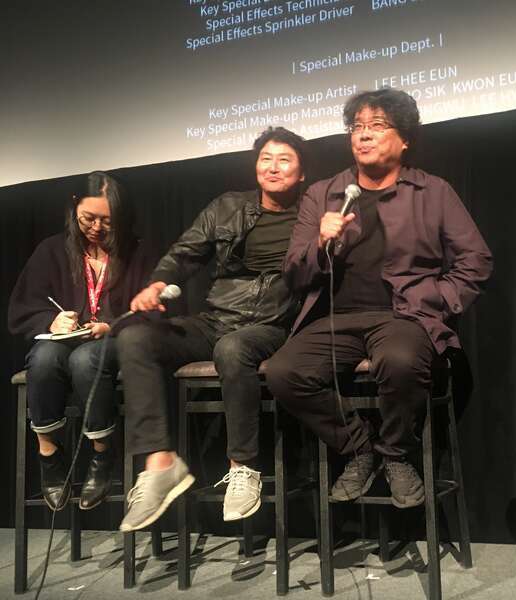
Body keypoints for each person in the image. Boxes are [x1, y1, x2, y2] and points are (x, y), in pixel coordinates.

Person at [265, 89, 492, 508]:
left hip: (402, 315)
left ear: (404, 139)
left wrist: (437, 299)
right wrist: (319, 243)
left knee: (401, 361)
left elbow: (475, 260)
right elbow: (294, 273)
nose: (364, 135)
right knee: (283, 372)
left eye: (377, 126)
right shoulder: (324, 194)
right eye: (357, 127)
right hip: (335, 317)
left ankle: (396, 454)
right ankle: (359, 448)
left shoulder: (432, 191)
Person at [118, 127, 307, 531]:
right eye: (266, 159)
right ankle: (160, 463)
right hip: (217, 319)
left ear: (302, 172)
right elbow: (184, 254)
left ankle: (243, 467)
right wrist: (157, 283)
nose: (273, 167)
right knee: (135, 338)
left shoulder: (310, 215)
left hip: (273, 325)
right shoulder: (227, 206)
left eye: (284, 160)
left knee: (233, 348)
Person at [8, 171, 156, 511]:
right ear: (74, 207)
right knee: (43, 358)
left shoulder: (137, 252)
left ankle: (102, 455)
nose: (96, 227)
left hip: (114, 341)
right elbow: (23, 306)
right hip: (63, 342)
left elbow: (155, 310)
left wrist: (112, 325)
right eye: (88, 218)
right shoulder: (52, 250)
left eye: (107, 220)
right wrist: (51, 320)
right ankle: (49, 455)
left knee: (85, 359)